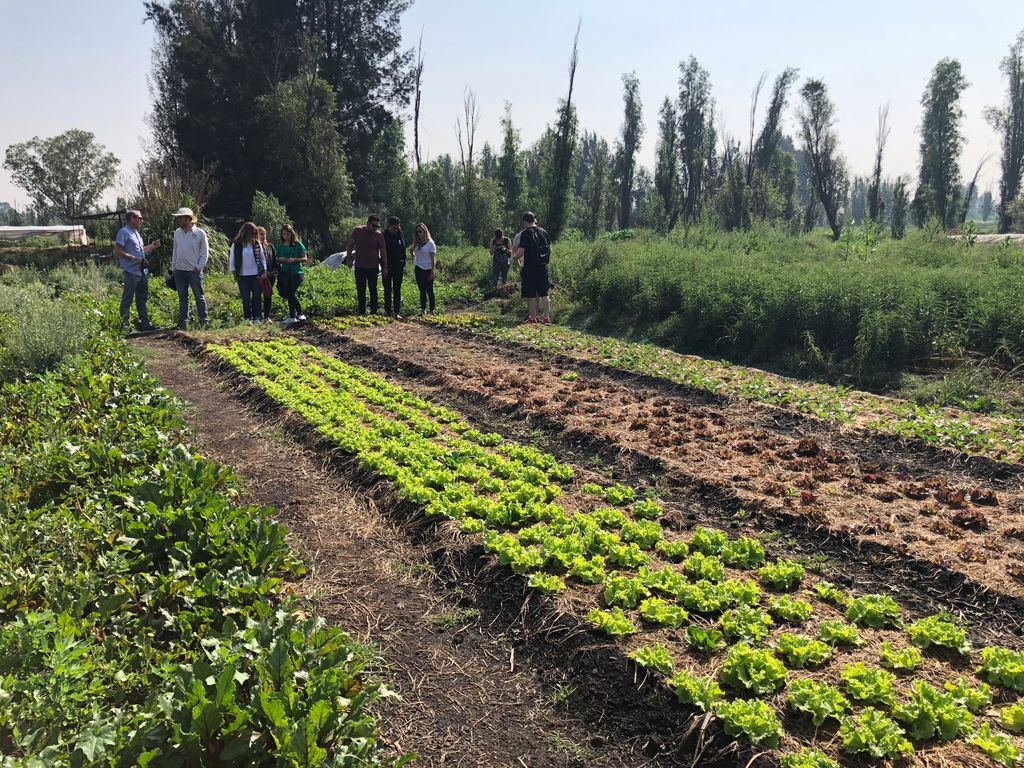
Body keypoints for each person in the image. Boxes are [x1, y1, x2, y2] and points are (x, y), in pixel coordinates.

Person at [114, 209, 161, 330]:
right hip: (131, 272)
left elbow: (141, 251)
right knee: (127, 300)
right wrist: (135, 259)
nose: (142, 221)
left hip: (141, 272)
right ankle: (125, 327)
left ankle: (145, 325)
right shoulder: (124, 232)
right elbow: (118, 251)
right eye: (140, 218)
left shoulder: (136, 233)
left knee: (142, 300)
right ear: (132, 218)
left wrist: (152, 246)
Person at [170, 207, 209, 330]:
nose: (178, 220)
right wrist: (173, 268)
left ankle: (204, 321)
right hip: (180, 271)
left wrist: (198, 267)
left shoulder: (200, 233)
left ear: (188, 219)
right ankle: (183, 322)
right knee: (182, 298)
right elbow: (175, 251)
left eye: (180, 217)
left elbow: (205, 253)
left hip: (194, 272)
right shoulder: (177, 232)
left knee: (199, 296)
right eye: (178, 218)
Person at [513, 211, 552, 324]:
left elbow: (521, 252)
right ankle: (546, 317)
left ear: (525, 222)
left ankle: (532, 318)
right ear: (535, 220)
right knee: (544, 293)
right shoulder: (544, 232)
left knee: (531, 295)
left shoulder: (525, 233)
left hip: (529, 268)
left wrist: (514, 258)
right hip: (543, 267)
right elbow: (550, 249)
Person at [345, 214, 388, 315]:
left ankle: (373, 312)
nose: (375, 228)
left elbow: (383, 252)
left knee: (373, 290)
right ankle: (362, 312)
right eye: (374, 225)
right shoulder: (358, 230)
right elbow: (350, 245)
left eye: (377, 226)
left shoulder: (378, 235)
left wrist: (385, 267)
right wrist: (348, 258)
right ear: (368, 223)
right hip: (360, 266)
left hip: (373, 267)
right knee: (361, 290)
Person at [228, 221, 268, 322]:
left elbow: (262, 258)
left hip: (256, 275)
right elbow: (232, 259)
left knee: (257, 297)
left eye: (255, 233)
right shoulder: (236, 244)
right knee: (245, 298)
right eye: (253, 232)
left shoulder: (257, 244)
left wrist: (264, 271)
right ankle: (247, 318)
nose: (254, 235)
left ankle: (257, 317)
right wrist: (233, 271)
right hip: (242, 276)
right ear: (246, 232)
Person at [276, 224, 308, 321]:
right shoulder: (280, 247)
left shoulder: (298, 245)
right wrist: (282, 259)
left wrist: (295, 259)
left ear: (291, 233)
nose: (286, 236)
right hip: (286, 273)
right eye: (284, 234)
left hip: (297, 272)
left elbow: (305, 258)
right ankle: (292, 316)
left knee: (291, 293)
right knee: (289, 294)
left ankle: (300, 314)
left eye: (288, 234)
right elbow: (277, 260)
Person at [410, 223, 437, 315]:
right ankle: (423, 310)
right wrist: (412, 254)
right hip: (418, 269)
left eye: (420, 231)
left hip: (427, 269)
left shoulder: (430, 243)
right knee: (422, 291)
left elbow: (433, 259)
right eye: (417, 232)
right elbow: (415, 255)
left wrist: (432, 272)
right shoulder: (417, 243)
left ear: (425, 231)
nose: (418, 233)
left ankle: (432, 310)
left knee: (430, 291)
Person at [382, 216, 407, 318]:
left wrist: (404, 259)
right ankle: (387, 312)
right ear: (389, 226)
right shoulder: (384, 236)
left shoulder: (401, 234)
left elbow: (404, 247)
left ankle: (396, 312)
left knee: (397, 289)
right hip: (387, 266)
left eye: (397, 227)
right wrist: (383, 265)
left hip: (399, 266)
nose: (396, 230)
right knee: (387, 289)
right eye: (394, 228)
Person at [257, 226, 278, 321]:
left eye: (264, 234)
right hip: (258, 276)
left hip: (270, 275)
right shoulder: (255, 247)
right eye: (261, 234)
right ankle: (256, 316)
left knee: (268, 295)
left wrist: (274, 271)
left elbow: (275, 260)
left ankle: (267, 316)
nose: (263, 236)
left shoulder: (270, 247)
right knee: (257, 295)